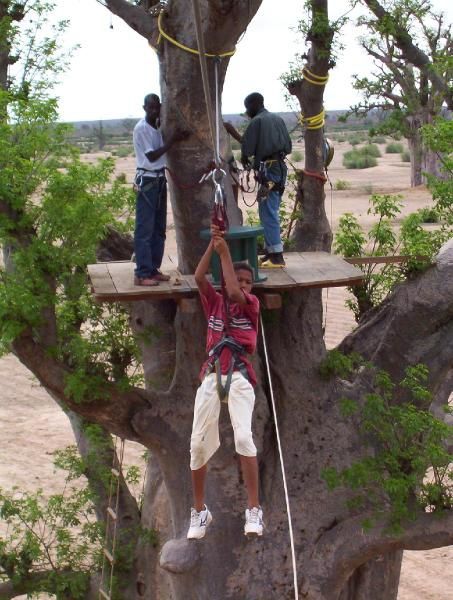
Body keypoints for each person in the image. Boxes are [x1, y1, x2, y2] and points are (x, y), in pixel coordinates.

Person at [187, 224, 263, 540]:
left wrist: (225, 253)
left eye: (248, 282)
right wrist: (213, 246)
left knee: (244, 439)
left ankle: (254, 509)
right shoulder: (214, 302)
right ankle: (200, 510)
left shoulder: (251, 305)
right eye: (240, 279)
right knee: (196, 445)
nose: (243, 286)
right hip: (213, 373)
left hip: (240, 376)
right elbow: (199, 278)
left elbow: (233, 292)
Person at [224, 93, 292, 268]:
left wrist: (232, 133)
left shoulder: (257, 121)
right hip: (279, 168)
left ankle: (277, 256)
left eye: (247, 108)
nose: (247, 112)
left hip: (270, 169)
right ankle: (271, 252)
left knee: (268, 211)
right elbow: (288, 146)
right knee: (267, 209)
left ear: (254, 105)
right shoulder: (277, 119)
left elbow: (247, 146)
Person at [133, 93, 187, 286]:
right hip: (147, 180)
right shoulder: (142, 129)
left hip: (159, 180)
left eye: (157, 107)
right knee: (145, 229)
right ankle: (142, 273)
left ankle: (152, 269)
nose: (154, 111)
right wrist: (173, 140)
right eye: (151, 107)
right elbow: (153, 157)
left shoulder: (156, 128)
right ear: (144, 108)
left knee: (159, 229)